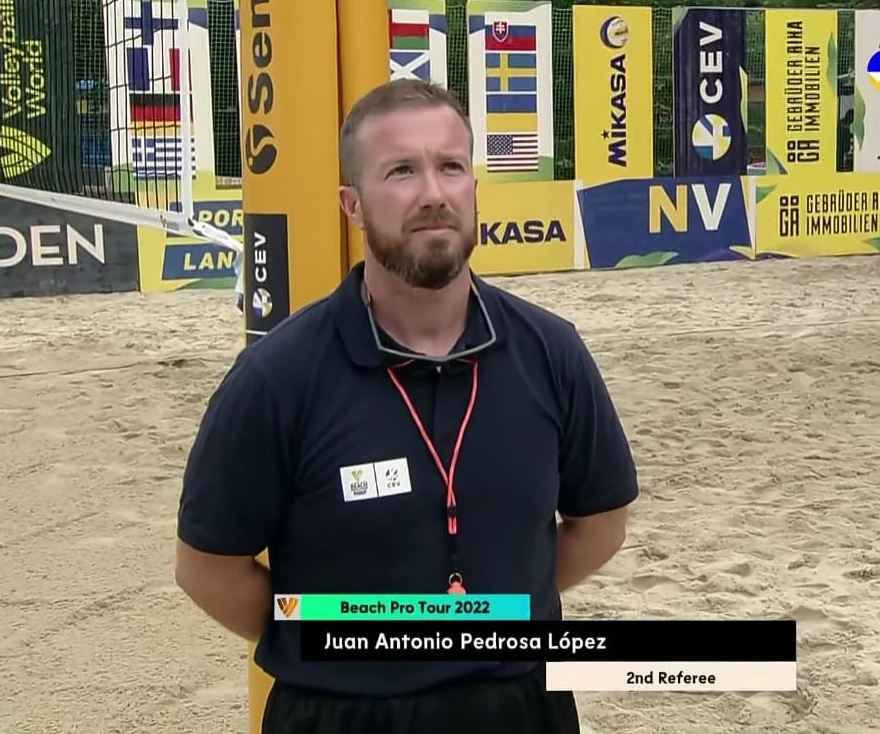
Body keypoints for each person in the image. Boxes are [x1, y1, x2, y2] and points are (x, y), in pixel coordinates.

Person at [174, 78, 639, 734]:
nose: (433, 193)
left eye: (451, 166)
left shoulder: (550, 352)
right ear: (353, 205)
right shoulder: (277, 377)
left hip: (520, 703)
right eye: (400, 171)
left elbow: (599, 526)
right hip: (338, 713)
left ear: (473, 186)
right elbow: (207, 569)